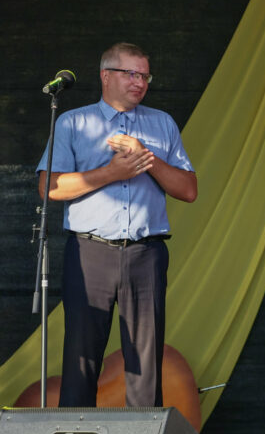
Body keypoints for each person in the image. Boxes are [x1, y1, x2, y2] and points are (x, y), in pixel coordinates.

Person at [37, 42, 197, 407]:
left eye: (145, 76)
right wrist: (112, 172)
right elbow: (49, 187)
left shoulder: (162, 123)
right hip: (89, 253)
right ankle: (75, 432)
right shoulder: (73, 122)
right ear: (106, 76)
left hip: (146, 254)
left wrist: (145, 157)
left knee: (145, 366)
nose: (140, 83)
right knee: (81, 359)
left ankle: (143, 433)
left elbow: (188, 190)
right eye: (131, 74)